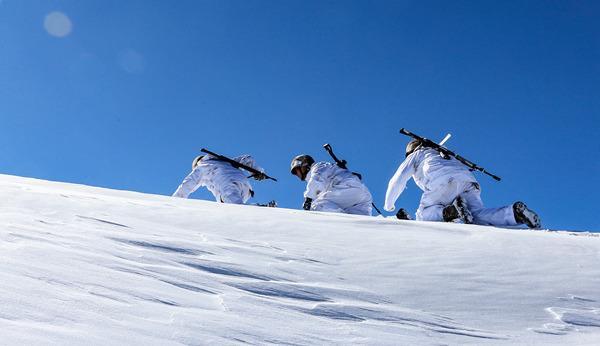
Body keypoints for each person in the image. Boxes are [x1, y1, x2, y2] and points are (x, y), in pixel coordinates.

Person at [384, 139, 541, 228]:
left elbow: (398, 179)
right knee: (476, 216)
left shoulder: (417, 155)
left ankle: (450, 212)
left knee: (424, 215)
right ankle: (515, 213)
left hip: (443, 182)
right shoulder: (445, 153)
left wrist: (389, 205)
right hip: (468, 183)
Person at [290, 154, 373, 216]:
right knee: (360, 219)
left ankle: (345, 223)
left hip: (347, 188)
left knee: (317, 206)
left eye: (298, 171)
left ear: (305, 165)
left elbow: (316, 180)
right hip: (362, 196)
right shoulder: (329, 169)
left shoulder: (318, 167)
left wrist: (308, 199)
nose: (298, 175)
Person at [173, 153, 266, 204]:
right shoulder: (225, 162)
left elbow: (188, 184)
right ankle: (257, 208)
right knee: (237, 207)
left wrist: (174, 201)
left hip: (228, 185)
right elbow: (247, 158)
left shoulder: (202, 166)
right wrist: (257, 171)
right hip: (246, 188)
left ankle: (259, 208)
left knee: (234, 208)